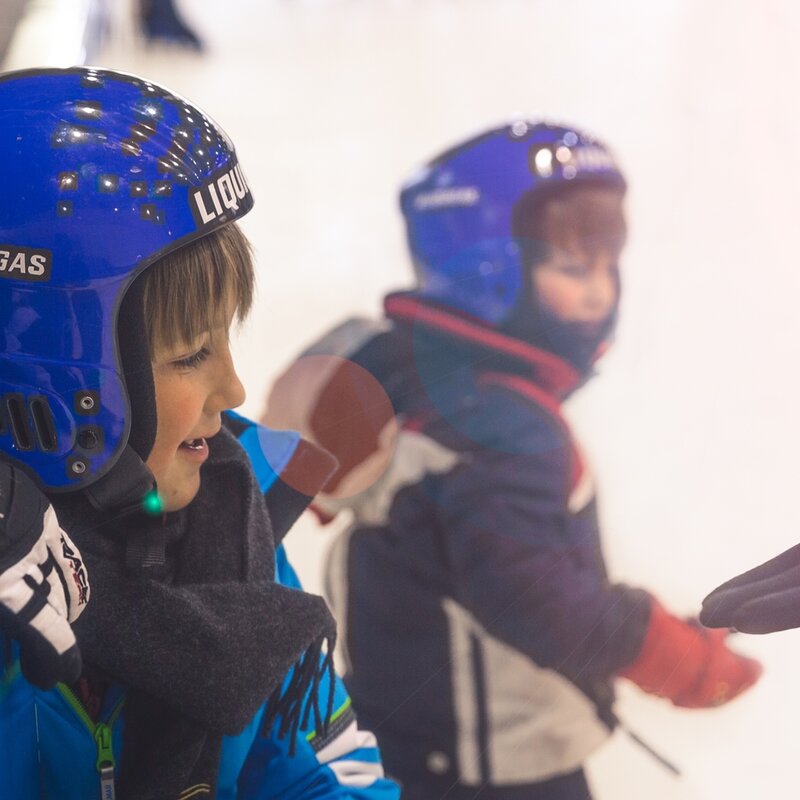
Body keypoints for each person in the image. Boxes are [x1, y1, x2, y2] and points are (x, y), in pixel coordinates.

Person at [263, 121, 763, 799]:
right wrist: (674, 656)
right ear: (490, 270)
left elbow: (283, 453)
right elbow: (534, 597)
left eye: (607, 265)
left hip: (402, 732)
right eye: (572, 266)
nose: (600, 292)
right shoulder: (505, 429)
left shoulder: (400, 365)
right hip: (492, 767)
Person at [0, 66, 399, 800]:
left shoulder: (230, 526)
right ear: (50, 372)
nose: (235, 391)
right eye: (190, 355)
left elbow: (328, 776)